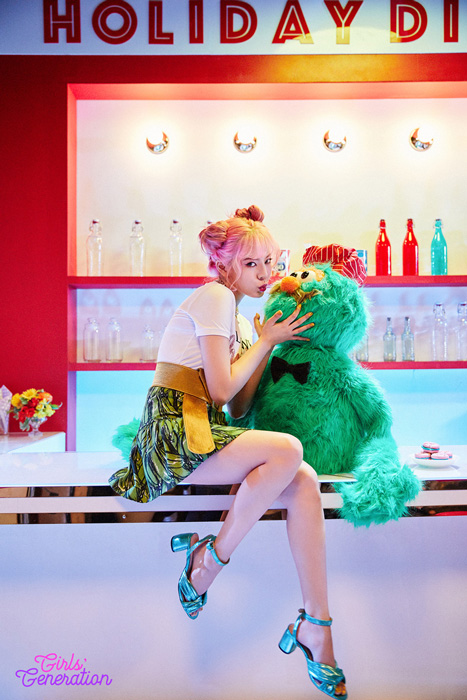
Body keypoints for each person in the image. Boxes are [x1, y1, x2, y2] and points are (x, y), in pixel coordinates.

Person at [109, 205, 347, 699]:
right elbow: (219, 390)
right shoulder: (215, 296)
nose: (265, 274)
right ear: (225, 264)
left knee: (303, 478)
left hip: (204, 430)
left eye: (270, 263)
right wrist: (266, 342)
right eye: (252, 263)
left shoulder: (235, 317)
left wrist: (264, 343)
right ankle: (209, 560)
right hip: (174, 430)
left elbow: (237, 407)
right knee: (289, 450)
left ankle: (317, 624)